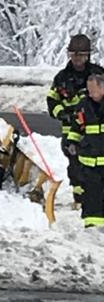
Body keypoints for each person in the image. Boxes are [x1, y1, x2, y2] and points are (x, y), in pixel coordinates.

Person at [47, 34, 104, 207]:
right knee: (75, 166)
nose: (77, 59)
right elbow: (52, 100)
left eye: (81, 55)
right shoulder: (62, 78)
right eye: (73, 55)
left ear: (88, 55)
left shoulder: (98, 74)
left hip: (96, 131)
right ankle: (79, 199)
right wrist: (62, 114)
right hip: (71, 130)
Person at [71, 73, 104, 229]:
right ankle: (92, 227)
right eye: (89, 90)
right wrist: (71, 142)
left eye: (93, 91)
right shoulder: (83, 105)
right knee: (91, 196)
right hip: (89, 162)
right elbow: (76, 127)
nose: (90, 94)